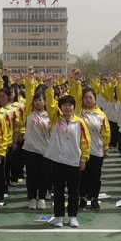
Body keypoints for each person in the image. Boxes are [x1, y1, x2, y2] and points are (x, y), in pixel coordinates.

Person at [43, 81, 90, 228]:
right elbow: (50, 105)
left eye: (70, 105)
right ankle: (59, 217)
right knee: (58, 190)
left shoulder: (79, 122)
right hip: (58, 160)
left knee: (73, 191)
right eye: (64, 105)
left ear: (74, 107)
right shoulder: (56, 119)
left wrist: (84, 158)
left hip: (74, 161)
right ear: (61, 107)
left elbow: (85, 141)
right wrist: (50, 89)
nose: (67, 107)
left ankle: (73, 216)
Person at [70, 69, 110, 211]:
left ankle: (94, 198)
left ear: (95, 99)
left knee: (95, 176)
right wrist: (76, 81)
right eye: (86, 97)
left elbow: (106, 133)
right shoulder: (79, 112)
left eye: (90, 97)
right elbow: (74, 95)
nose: (88, 99)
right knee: (82, 176)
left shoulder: (101, 115)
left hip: (97, 150)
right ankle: (81, 198)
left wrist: (105, 148)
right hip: (80, 151)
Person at [22, 75, 52, 210]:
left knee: (44, 176)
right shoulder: (29, 113)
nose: (38, 103)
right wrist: (31, 79)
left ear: (45, 102)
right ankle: (32, 198)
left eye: (40, 100)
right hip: (30, 149)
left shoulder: (50, 116)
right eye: (36, 100)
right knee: (31, 176)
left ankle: (42, 198)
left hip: (45, 150)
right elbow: (29, 94)